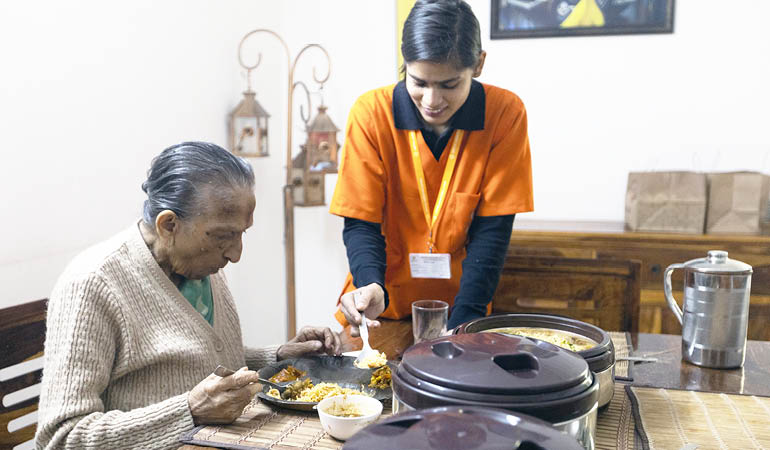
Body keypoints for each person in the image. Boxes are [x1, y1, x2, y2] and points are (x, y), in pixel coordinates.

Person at [35, 142, 341, 450]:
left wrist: (277, 357)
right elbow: (60, 438)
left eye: (241, 233)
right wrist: (188, 412)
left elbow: (198, 359)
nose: (236, 254)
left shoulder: (201, 266)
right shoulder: (93, 285)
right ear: (169, 225)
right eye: (224, 236)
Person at [330, 0, 533, 334]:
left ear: (478, 64)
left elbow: (493, 232)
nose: (431, 100)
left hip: (461, 307)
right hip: (383, 305)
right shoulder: (370, 114)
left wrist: (465, 321)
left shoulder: (505, 114)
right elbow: (361, 222)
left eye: (449, 85)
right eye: (419, 82)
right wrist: (370, 284)